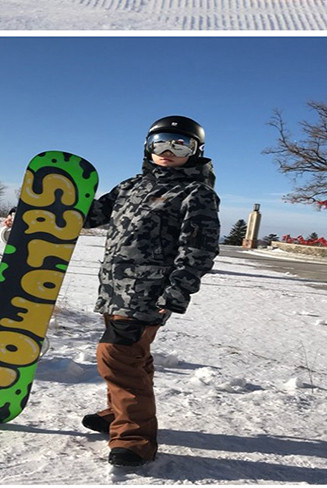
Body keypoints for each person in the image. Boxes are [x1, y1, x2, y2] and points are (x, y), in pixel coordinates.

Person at [81, 116, 221, 467]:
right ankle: (117, 413)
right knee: (135, 357)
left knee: (117, 356)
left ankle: (135, 439)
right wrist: (29, 213)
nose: (168, 151)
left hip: (149, 293)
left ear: (195, 151)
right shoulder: (132, 186)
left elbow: (199, 249)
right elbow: (90, 214)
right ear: (149, 145)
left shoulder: (196, 193)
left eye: (180, 144)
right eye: (161, 142)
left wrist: (176, 293)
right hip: (114, 289)